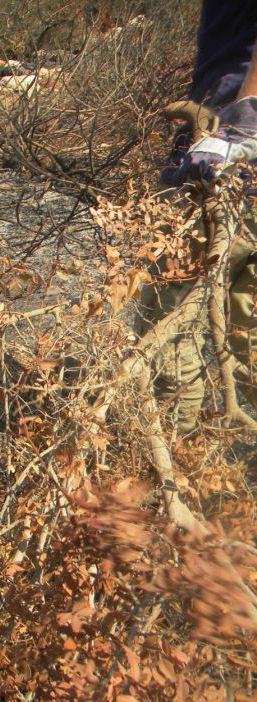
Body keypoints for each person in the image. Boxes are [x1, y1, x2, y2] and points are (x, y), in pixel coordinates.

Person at [143, 1, 257, 430]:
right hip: (229, 145)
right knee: (249, 334)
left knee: (169, 320)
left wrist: (247, 120)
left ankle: (166, 464)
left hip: (227, 152)